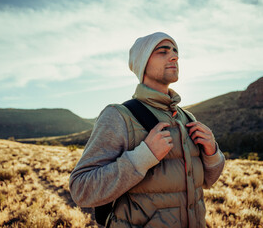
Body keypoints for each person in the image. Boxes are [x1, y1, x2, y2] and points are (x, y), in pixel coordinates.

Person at [69, 32, 225, 228]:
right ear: (143, 63)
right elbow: (81, 189)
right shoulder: (119, 116)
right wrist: (143, 156)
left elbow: (206, 182)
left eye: (175, 51)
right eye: (163, 51)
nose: (175, 56)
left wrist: (212, 153)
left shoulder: (187, 118)